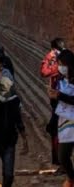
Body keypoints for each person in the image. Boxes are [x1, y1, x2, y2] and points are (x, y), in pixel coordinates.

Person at [48, 49, 74, 187]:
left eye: (62, 64)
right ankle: (71, 178)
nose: (60, 67)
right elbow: (56, 103)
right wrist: (53, 97)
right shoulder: (59, 79)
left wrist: (60, 96)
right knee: (63, 156)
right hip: (64, 122)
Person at [42, 38, 66, 169]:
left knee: (55, 129)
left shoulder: (59, 63)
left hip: (61, 102)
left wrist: (49, 58)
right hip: (59, 101)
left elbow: (44, 72)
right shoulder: (62, 60)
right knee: (55, 129)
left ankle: (61, 162)